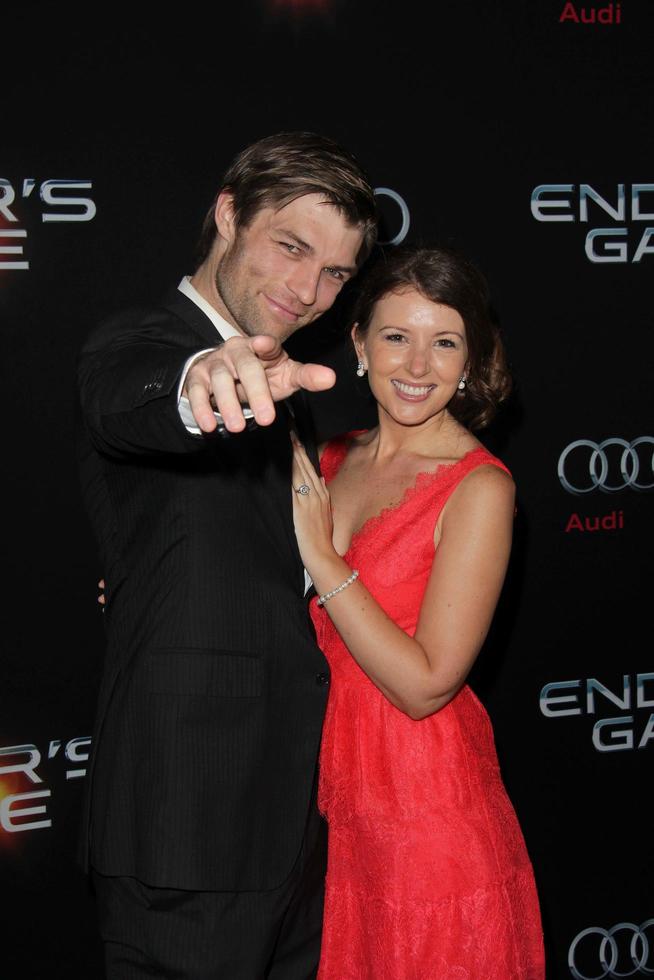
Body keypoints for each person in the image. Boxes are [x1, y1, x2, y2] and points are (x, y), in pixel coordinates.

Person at [76, 131, 377, 979]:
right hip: (189, 823)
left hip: (292, 823)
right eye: (291, 247)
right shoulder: (142, 342)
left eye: (335, 273)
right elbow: (131, 400)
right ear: (227, 213)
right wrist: (195, 387)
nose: (307, 290)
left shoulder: (286, 382)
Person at [290, 245, 545, 979]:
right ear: (360, 343)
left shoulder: (479, 489)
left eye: (445, 342)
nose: (418, 364)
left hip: (426, 822)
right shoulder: (335, 456)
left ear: (470, 360)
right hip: (333, 814)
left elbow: (427, 682)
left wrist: (324, 557)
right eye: (397, 336)